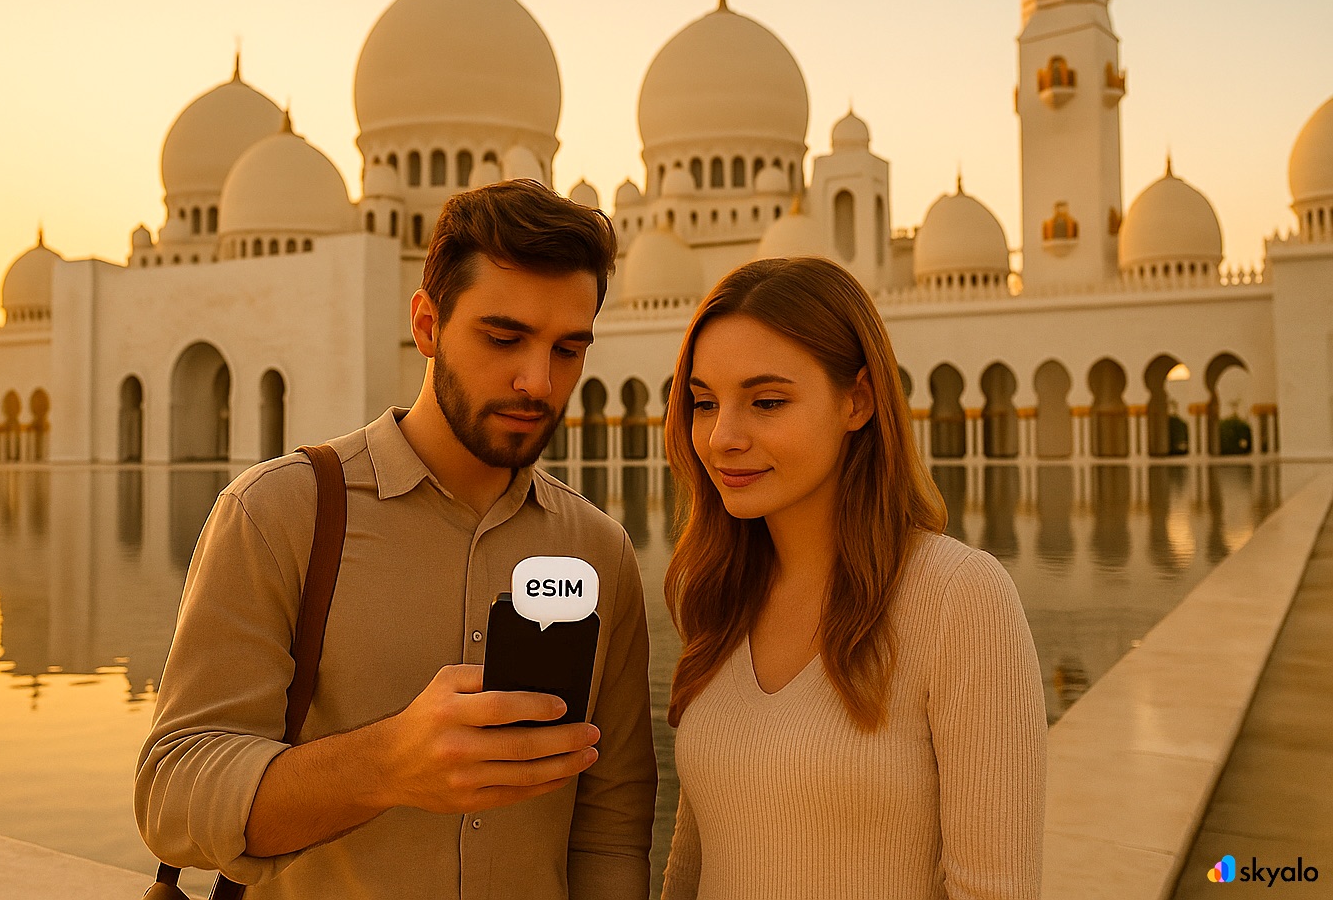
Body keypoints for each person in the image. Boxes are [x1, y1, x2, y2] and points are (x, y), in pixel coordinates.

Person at [136, 179, 657, 899]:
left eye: (568, 350)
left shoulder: (598, 551)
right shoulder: (280, 514)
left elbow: (609, 827)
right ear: (427, 325)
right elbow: (173, 794)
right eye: (503, 338)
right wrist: (386, 765)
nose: (537, 382)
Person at [658, 256, 1046, 900]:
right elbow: (695, 868)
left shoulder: (958, 600)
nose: (722, 436)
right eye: (704, 403)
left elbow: (995, 889)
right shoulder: (722, 602)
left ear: (858, 400)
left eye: (767, 401)